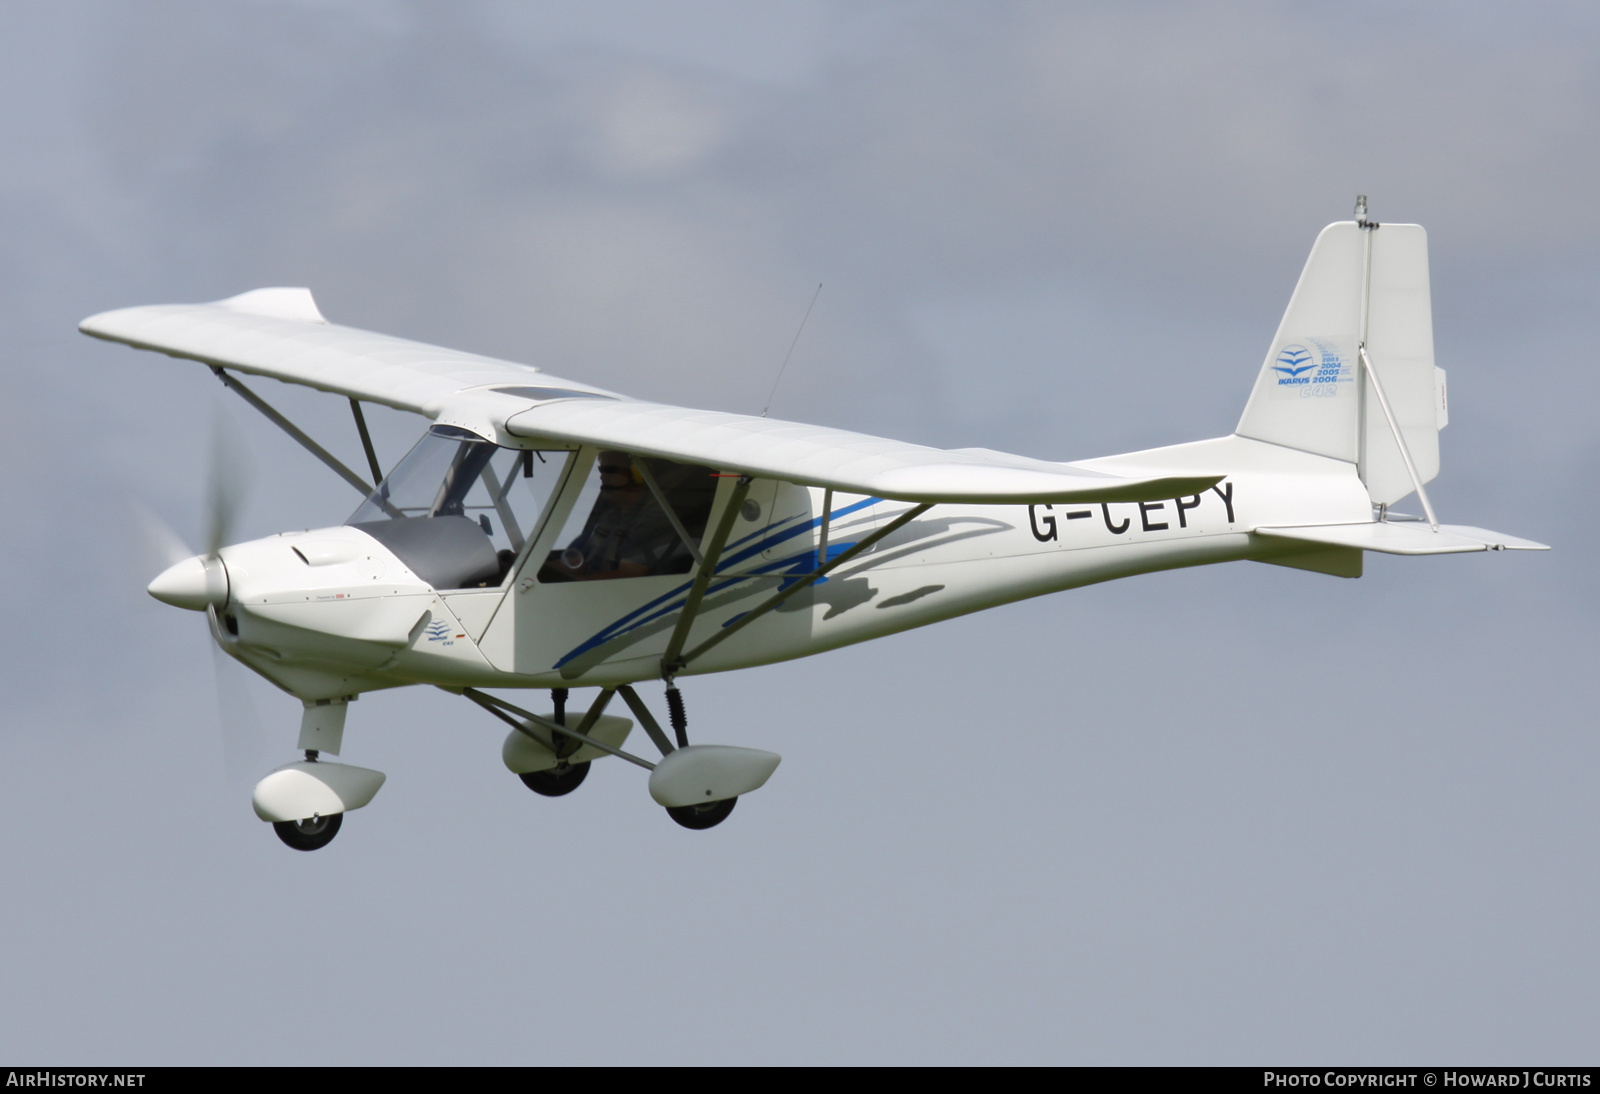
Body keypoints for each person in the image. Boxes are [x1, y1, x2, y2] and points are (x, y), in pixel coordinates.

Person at [541, 452, 680, 581]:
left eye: (610, 470)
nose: (602, 477)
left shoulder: (655, 520)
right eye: (601, 471)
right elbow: (576, 563)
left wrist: (569, 584)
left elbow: (625, 575)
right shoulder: (611, 518)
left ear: (638, 475)